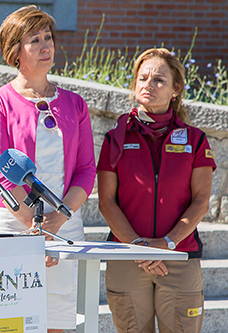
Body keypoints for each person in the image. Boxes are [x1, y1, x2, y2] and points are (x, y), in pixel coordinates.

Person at [0, 5, 96, 332]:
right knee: (6, 322)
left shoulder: (75, 104)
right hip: (11, 221)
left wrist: (56, 222)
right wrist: (37, 228)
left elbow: (86, 170)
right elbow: (0, 173)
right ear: (14, 51)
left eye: (48, 38)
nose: (46, 46)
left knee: (56, 319)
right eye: (34, 40)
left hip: (63, 223)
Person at [97, 48, 216, 333]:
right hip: (127, 256)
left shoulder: (196, 140)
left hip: (180, 256)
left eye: (159, 80)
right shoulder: (115, 138)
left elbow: (200, 201)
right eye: (143, 78)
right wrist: (137, 246)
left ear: (176, 90)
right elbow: (106, 202)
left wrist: (168, 244)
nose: (148, 84)